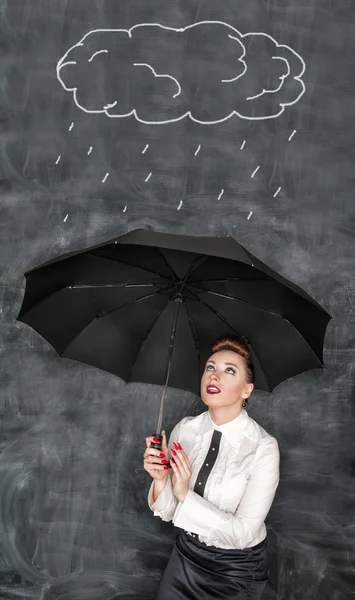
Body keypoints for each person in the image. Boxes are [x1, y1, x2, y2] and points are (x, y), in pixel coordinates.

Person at [143, 334, 280, 600]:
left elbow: (242, 534)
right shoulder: (185, 429)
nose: (214, 376)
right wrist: (161, 479)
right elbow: (170, 512)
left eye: (229, 370)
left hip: (236, 571)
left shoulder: (263, 447)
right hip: (186, 556)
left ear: (246, 389)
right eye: (210, 368)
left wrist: (184, 494)